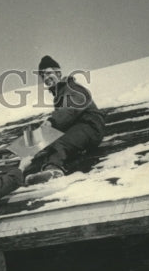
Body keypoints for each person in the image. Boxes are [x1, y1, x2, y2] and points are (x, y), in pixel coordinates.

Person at [27, 55, 105, 183]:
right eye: (43, 76)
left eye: (48, 73)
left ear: (58, 72)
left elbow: (70, 110)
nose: (46, 78)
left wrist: (52, 121)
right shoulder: (59, 94)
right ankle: (39, 168)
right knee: (47, 144)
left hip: (91, 126)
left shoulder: (72, 87)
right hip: (78, 129)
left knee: (59, 143)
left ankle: (54, 170)